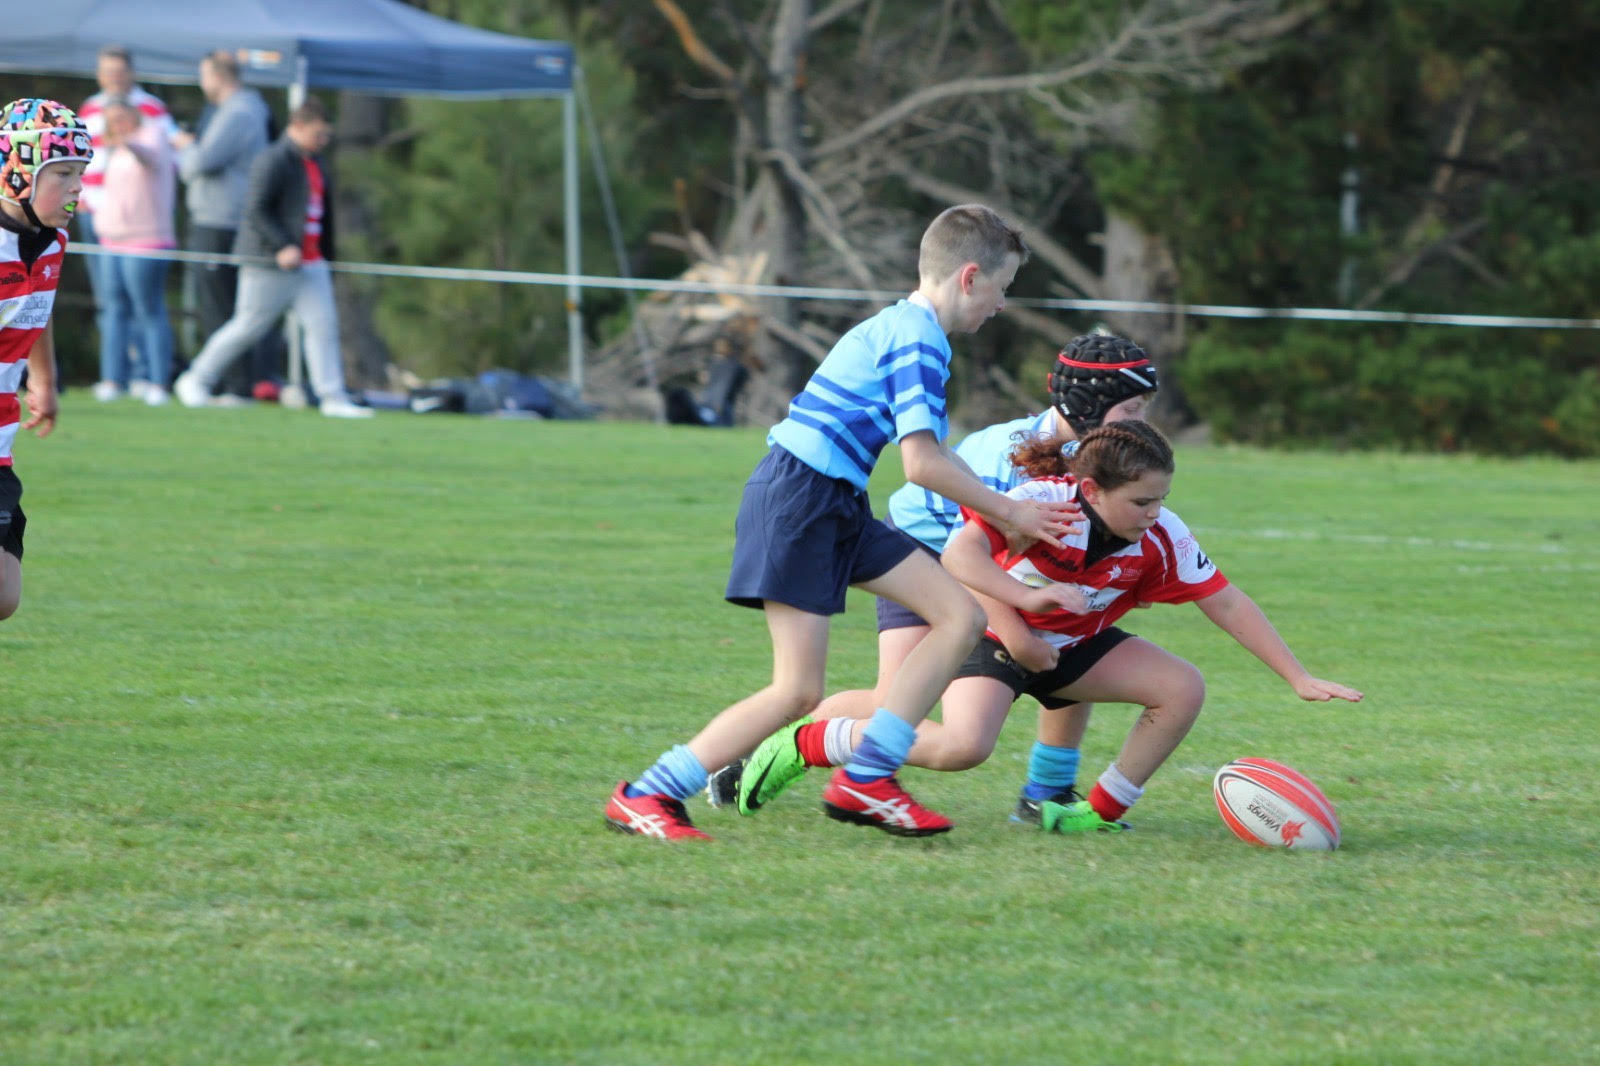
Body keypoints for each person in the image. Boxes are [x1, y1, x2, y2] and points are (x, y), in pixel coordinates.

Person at [604, 204, 1082, 841]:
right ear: (970, 277)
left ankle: (868, 777)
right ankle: (648, 793)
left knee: (960, 615)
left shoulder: (908, 328)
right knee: (797, 691)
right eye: (1002, 289)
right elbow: (922, 464)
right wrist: (1012, 511)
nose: (1000, 305)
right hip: (801, 500)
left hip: (834, 503)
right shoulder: (919, 340)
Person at [739, 420, 1364, 831]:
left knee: (1182, 687)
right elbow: (959, 559)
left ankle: (1096, 816)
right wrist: (1023, 614)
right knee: (963, 748)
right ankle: (810, 742)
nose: (1156, 514)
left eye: (1162, 499)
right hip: (991, 636)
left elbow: (1226, 602)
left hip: (1071, 649)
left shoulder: (1163, 537)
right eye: (1142, 502)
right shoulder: (1043, 505)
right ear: (1090, 490)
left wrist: (1298, 675)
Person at [724, 331, 1159, 825]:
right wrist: (1016, 637)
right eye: (1133, 409)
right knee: (893, 699)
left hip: (984, 565)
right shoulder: (1007, 455)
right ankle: (784, 743)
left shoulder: (1098, 459)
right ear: (1087, 403)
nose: (1142, 422)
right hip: (920, 551)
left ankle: (1047, 791)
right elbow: (966, 562)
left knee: (1073, 631)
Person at [173, 98, 372, 419]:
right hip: (269, 263)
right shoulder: (273, 159)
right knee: (248, 326)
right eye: (317, 134)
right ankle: (196, 379)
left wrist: (326, 256)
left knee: (323, 327)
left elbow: (322, 217)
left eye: (326, 135)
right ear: (298, 126)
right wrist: (281, 245)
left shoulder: (317, 163)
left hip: (311, 262)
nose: (322, 141)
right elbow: (256, 210)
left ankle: (332, 396)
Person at [0, 99, 92, 620]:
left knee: (4, 597)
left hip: (3, 435)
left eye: (80, 173)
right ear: (17, 172)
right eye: (61, 174)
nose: (76, 187)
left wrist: (45, 380)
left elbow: (37, 304)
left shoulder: (53, 242)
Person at [172, 49, 276, 403]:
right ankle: (229, 383)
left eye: (204, 76)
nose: (202, 84)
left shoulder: (239, 111)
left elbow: (198, 163)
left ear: (218, 76)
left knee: (223, 307)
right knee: (223, 306)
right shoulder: (234, 110)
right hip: (217, 219)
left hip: (223, 222)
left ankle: (236, 387)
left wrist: (186, 147)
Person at [77, 45, 176, 401]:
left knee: (144, 304)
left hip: (141, 230)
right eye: (108, 72)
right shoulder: (90, 106)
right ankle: (115, 377)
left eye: (119, 71)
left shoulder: (150, 113)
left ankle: (148, 376)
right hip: (99, 219)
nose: (114, 78)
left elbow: (162, 152)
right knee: (111, 302)